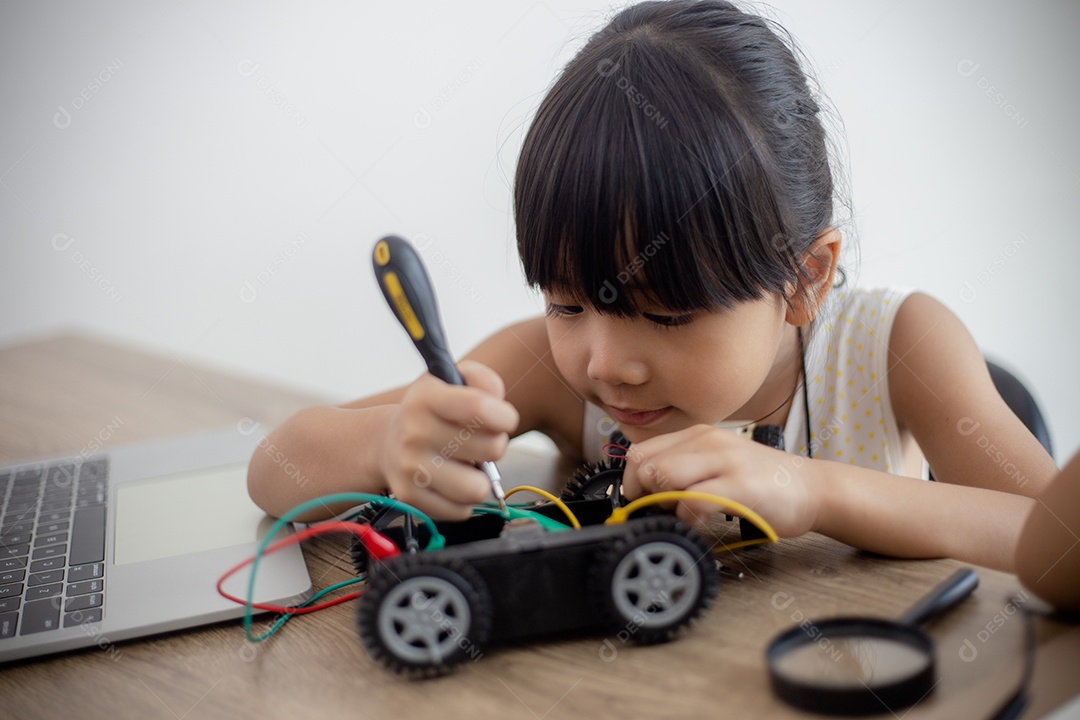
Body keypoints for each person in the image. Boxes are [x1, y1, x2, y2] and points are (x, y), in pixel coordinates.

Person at [247, 0, 1057, 572]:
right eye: (567, 302)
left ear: (804, 277)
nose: (606, 365)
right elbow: (273, 468)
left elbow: (1063, 544)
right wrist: (388, 444)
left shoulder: (894, 349)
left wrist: (814, 490)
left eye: (667, 314)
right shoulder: (544, 367)